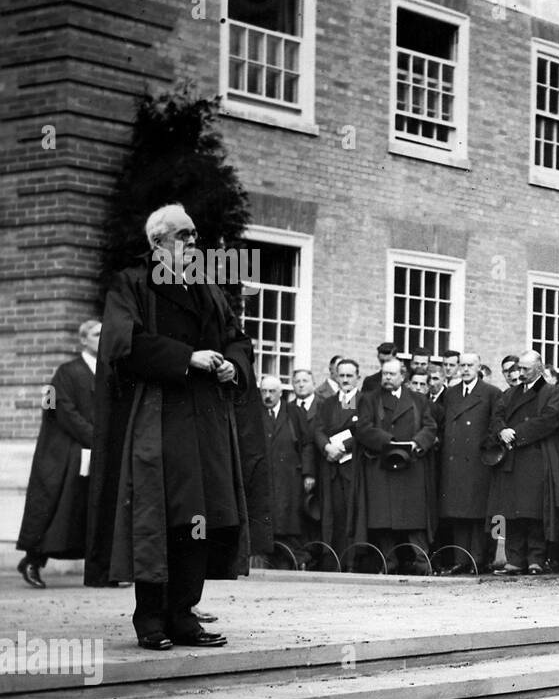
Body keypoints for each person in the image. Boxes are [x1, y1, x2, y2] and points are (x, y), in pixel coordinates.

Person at [86, 203, 251, 650]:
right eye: (184, 235)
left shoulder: (206, 284)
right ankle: (151, 618)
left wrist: (232, 366)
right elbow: (123, 345)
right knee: (161, 514)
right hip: (160, 416)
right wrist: (186, 358)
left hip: (207, 420)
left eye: (195, 235)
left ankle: (184, 615)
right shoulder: (132, 282)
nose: (193, 243)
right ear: (158, 242)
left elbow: (236, 336)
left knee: (201, 515)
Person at [17, 319, 100, 589]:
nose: (103, 338)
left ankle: (102, 570)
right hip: (69, 452)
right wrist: (95, 437)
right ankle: (33, 560)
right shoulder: (67, 372)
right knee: (57, 507)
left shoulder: (109, 372)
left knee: (92, 509)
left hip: (97, 451)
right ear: (83, 341)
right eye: (97, 334)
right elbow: (62, 410)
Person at [486, 351, 559, 574]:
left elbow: (549, 420)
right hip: (511, 458)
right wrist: (501, 430)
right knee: (512, 511)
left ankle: (536, 558)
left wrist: (516, 433)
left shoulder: (553, 392)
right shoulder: (509, 393)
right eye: (518, 369)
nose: (520, 373)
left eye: (525, 369)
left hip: (535, 456)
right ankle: (515, 558)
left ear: (539, 368)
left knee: (534, 511)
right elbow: (496, 417)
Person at [354, 358, 439, 574]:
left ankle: (422, 563)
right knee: (384, 521)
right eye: (384, 374)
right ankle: (388, 564)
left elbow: (430, 426)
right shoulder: (369, 399)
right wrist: (388, 441)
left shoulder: (418, 400)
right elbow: (363, 428)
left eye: (392, 374)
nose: (387, 378)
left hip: (411, 467)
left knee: (415, 520)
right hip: (382, 466)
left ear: (403, 376)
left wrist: (417, 443)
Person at [438, 352, 500, 574]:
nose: (465, 369)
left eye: (469, 365)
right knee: (457, 513)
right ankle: (460, 559)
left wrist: (484, 449)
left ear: (478, 367)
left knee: (476, 514)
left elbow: (495, 425)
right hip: (454, 461)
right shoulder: (451, 393)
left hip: (476, 461)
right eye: (462, 365)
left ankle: (478, 559)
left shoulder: (491, 393)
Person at [258, 375, 317, 567]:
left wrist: (308, 473)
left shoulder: (294, 412)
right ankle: (273, 558)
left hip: (290, 476)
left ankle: (296, 559)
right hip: (265, 475)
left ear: (280, 393)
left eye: (272, 391)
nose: (267, 396)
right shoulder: (256, 413)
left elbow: (308, 444)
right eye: (264, 391)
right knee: (269, 517)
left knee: (289, 517)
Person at [313, 357, 361, 555]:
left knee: (352, 514)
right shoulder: (328, 403)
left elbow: (365, 430)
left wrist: (343, 446)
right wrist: (327, 448)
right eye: (341, 375)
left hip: (353, 467)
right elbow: (317, 429)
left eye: (350, 376)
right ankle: (331, 559)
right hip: (331, 466)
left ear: (357, 378)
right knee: (333, 514)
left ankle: (352, 560)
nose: (345, 379)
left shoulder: (365, 401)